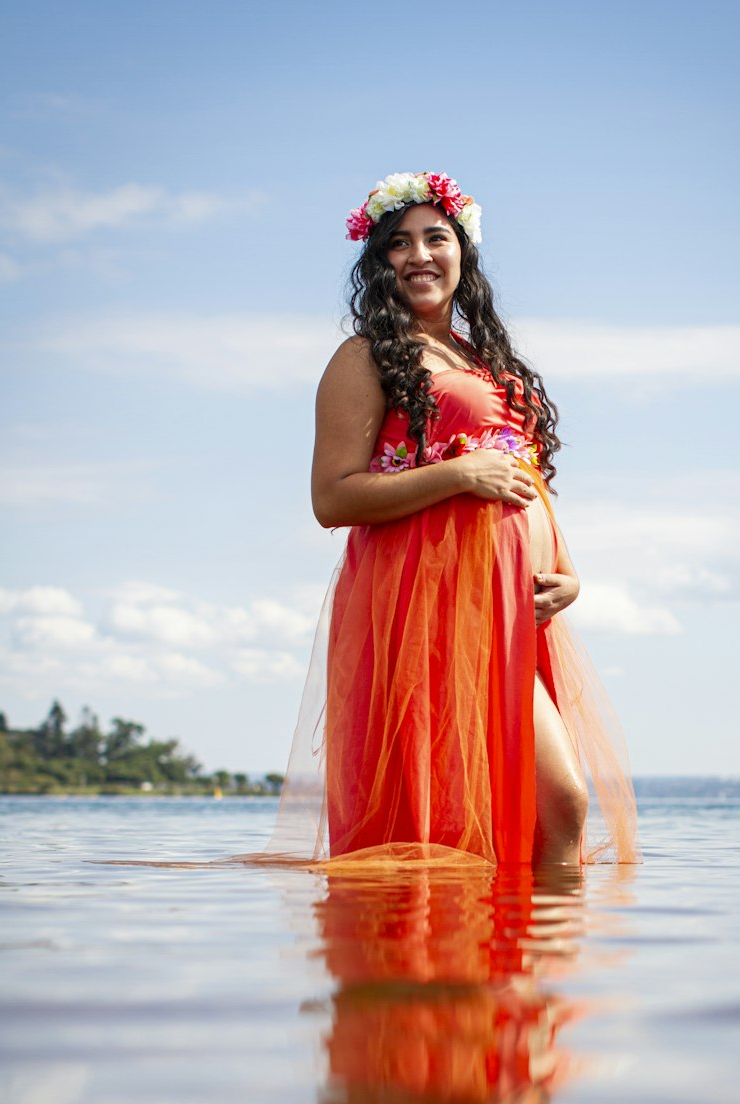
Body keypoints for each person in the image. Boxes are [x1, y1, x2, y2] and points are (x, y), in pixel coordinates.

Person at [273, 172, 637, 868]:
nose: (419, 256)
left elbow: (522, 477)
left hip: (502, 611)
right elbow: (332, 498)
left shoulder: (482, 359)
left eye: (435, 238)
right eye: (398, 244)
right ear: (377, 263)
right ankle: (427, 962)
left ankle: (513, 970)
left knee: (537, 806)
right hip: (422, 609)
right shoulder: (365, 358)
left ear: (463, 253)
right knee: (538, 802)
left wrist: (569, 575)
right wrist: (455, 475)